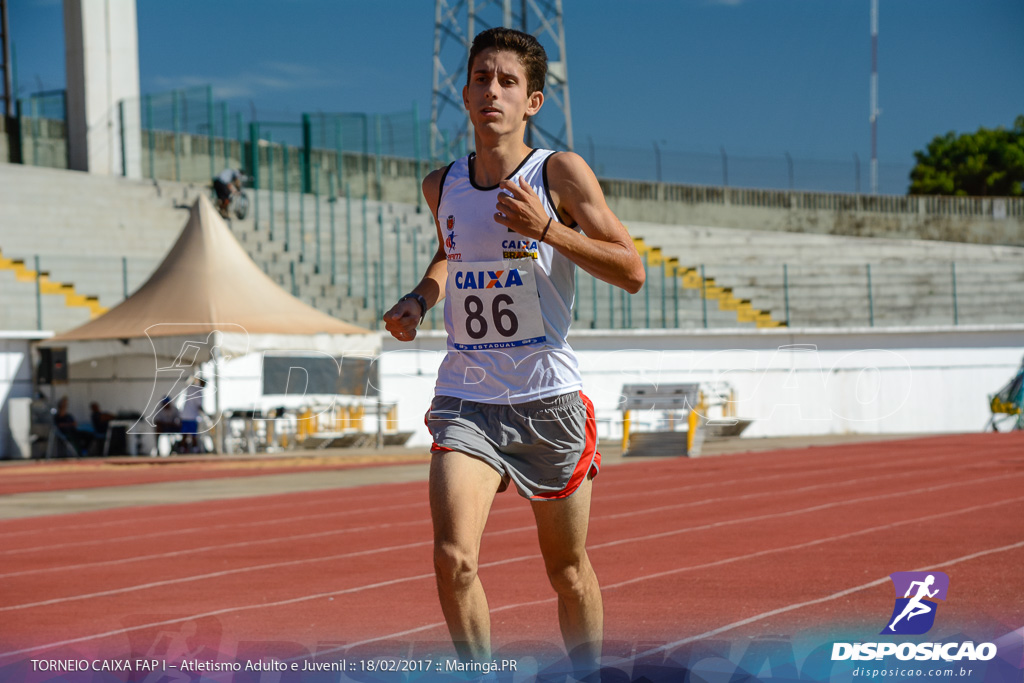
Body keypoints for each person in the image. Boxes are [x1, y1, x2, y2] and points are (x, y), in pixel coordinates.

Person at [382, 27, 645, 674]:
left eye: (506, 82)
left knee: (566, 570)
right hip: (467, 398)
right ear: (464, 92)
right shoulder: (440, 185)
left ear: (532, 102)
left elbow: (631, 268)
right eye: (480, 78)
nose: (490, 91)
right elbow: (452, 252)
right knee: (454, 557)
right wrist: (419, 297)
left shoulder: (557, 172)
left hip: (547, 402)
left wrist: (549, 228)